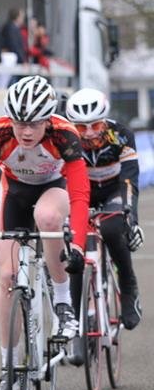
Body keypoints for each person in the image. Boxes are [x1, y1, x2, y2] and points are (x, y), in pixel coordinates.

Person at [0, 75, 90, 390]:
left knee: (47, 218)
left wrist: (78, 246)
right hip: (15, 194)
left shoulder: (64, 135)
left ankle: (62, 302)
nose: (26, 132)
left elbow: (80, 195)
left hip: (55, 189)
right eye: (20, 123)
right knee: (8, 278)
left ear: (48, 120)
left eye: (34, 124)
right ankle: (8, 371)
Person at [65, 88, 143, 334]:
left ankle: (128, 285)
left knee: (112, 228)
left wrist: (130, 217)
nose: (88, 133)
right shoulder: (65, 137)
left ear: (105, 120)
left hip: (114, 189)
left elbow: (129, 179)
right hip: (82, 192)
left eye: (95, 125)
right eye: (81, 127)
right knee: (75, 244)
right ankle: (75, 309)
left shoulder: (121, 135)